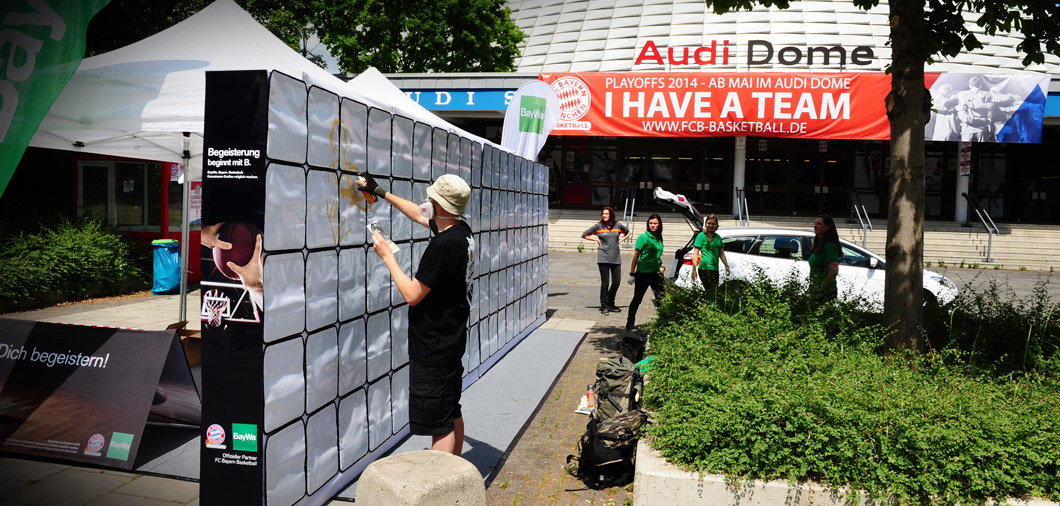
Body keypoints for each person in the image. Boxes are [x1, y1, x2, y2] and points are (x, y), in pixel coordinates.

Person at [361, 172, 475, 456]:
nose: (426, 201)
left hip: (433, 347)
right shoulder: (461, 232)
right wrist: (381, 192)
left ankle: (439, 491)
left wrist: (387, 255)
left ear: (442, 207)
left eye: (432, 198)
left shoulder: (443, 246)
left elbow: (412, 295)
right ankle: (456, 479)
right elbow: (418, 215)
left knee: (440, 424)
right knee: (450, 410)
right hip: (450, 340)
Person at [581, 206, 631, 313]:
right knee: (605, 283)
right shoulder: (598, 226)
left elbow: (628, 232)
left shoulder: (617, 225)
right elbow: (584, 235)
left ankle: (610, 303)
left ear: (611, 215)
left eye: (607, 214)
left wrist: (622, 239)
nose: (604, 215)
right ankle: (604, 306)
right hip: (603, 258)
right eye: (603, 214)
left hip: (616, 258)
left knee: (616, 282)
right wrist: (595, 239)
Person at [625, 214, 665, 332]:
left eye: (655, 223)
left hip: (656, 273)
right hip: (643, 273)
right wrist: (632, 274)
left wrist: (661, 264)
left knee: (662, 299)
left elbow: (656, 255)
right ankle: (630, 323)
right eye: (651, 223)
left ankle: (663, 323)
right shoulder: (643, 237)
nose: (652, 225)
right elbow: (636, 256)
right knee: (637, 299)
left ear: (659, 225)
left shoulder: (659, 237)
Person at [690, 213, 730, 291]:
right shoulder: (701, 236)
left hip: (715, 268)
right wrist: (694, 269)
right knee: (710, 291)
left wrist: (726, 265)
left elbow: (721, 253)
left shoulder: (718, 237)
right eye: (709, 223)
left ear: (716, 225)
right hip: (705, 268)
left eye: (713, 224)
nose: (711, 226)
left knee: (714, 291)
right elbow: (695, 253)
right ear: (706, 224)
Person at [808, 215, 843, 303]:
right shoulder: (818, 244)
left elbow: (834, 270)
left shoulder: (829, 246)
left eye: (819, 224)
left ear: (827, 227)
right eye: (815, 223)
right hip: (815, 291)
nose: (815, 226)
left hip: (825, 293)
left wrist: (821, 288)